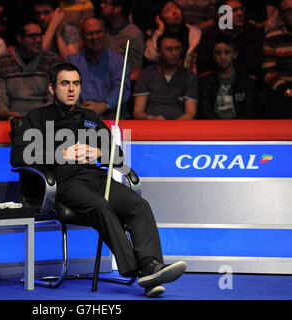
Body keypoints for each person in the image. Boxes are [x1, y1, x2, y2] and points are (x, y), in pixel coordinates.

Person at [10, 62, 187, 298]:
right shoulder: (37, 118)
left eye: (76, 84)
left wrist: (101, 154)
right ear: (52, 89)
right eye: (65, 83)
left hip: (95, 177)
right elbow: (18, 155)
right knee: (100, 206)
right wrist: (60, 154)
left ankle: (151, 266)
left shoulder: (90, 117)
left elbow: (118, 155)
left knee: (138, 204)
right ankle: (140, 269)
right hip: (63, 182)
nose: (71, 89)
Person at [0, 19, 62, 120]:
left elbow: (54, 96)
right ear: (20, 38)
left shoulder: (52, 61)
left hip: (44, 119)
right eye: (33, 36)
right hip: (11, 119)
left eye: (40, 35)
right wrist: (6, 113)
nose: (39, 40)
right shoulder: (3, 62)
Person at [66, 17, 130, 119]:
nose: (95, 37)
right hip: (80, 116)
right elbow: (66, 90)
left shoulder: (119, 61)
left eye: (98, 32)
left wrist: (103, 106)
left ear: (105, 34)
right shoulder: (72, 60)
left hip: (111, 115)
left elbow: (122, 90)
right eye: (89, 33)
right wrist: (79, 108)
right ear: (82, 37)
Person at [133, 34, 198, 120]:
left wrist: (170, 128)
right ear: (159, 52)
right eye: (169, 49)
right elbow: (137, 112)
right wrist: (151, 118)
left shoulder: (189, 76)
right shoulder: (146, 74)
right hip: (151, 126)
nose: (175, 53)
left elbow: (190, 113)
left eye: (177, 49)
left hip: (179, 128)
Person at [196, 0, 264, 80]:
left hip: (246, 84)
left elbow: (254, 68)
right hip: (216, 84)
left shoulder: (252, 32)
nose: (240, 13)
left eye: (241, 9)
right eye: (234, 10)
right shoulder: (209, 35)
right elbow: (203, 69)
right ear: (221, 15)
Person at [198, 34, 257, 119]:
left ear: (235, 54)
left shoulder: (247, 81)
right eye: (218, 53)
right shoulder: (205, 81)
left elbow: (248, 113)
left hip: (239, 128)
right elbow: (205, 112)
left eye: (227, 52)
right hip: (213, 127)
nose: (222, 57)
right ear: (213, 56)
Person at [144, 1, 201, 72]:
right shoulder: (154, 34)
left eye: (176, 8)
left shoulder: (194, 34)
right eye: (167, 11)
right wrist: (160, 30)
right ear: (160, 18)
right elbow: (151, 57)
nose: (174, 12)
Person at [260, 0, 292, 118]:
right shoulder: (272, 39)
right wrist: (286, 91)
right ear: (282, 16)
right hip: (283, 92)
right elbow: (268, 72)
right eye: (288, 11)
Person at [99, 0, 145, 81]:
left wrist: (117, 83)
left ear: (118, 8)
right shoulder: (100, 28)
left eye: (106, 3)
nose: (102, 5)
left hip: (118, 84)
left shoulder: (133, 35)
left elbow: (136, 72)